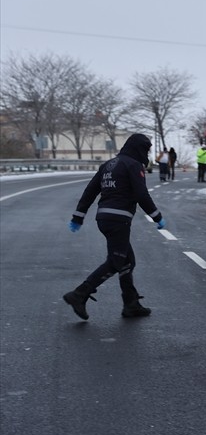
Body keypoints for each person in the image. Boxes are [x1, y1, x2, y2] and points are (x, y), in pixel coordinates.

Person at [63, 133, 166, 320]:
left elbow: (90, 191)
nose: (147, 153)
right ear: (139, 148)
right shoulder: (134, 165)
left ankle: (131, 304)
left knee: (127, 261)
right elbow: (141, 194)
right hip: (119, 219)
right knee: (116, 262)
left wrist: (78, 216)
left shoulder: (108, 165)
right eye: (146, 149)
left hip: (104, 218)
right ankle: (79, 294)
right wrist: (156, 216)